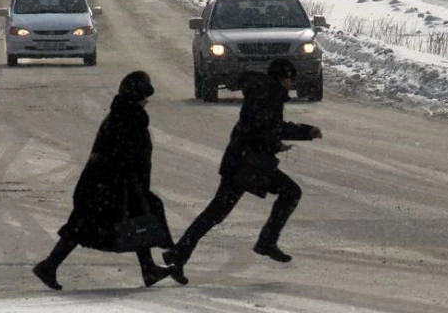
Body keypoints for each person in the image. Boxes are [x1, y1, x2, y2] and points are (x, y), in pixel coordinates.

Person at [163, 59, 323, 284]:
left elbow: (259, 128)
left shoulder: (263, 91)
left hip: (241, 161)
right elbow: (267, 128)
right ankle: (266, 241)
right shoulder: (269, 94)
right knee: (291, 193)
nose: (292, 84)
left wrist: (275, 144)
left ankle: (177, 254)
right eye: (290, 79)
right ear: (282, 77)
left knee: (215, 214)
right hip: (248, 164)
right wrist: (305, 132)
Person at [32, 71, 185, 290]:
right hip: (111, 186)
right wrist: (132, 183)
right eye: (145, 96)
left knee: (127, 219)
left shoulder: (122, 114)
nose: (147, 101)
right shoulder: (130, 118)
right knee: (97, 224)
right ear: (138, 96)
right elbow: (129, 156)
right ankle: (49, 265)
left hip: (106, 184)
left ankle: (148, 268)